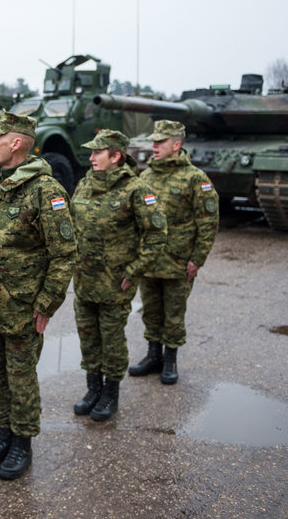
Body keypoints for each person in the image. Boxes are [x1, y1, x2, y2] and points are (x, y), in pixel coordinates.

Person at [0, 111, 76, 480]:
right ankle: (3, 434)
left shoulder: (47, 191)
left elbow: (64, 253)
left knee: (20, 379)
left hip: (22, 308)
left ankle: (23, 442)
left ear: (15, 143)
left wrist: (47, 304)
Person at [70, 129, 166, 422]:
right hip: (84, 281)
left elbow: (157, 235)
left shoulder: (136, 190)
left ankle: (111, 392)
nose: (91, 158)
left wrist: (134, 271)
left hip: (115, 282)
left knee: (111, 339)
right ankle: (93, 388)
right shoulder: (85, 184)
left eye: (97, 153)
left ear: (116, 156)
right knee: (88, 337)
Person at [130, 120, 219, 385]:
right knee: (151, 311)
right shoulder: (145, 177)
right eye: (153, 142)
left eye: (160, 142)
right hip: (150, 261)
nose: (154, 146)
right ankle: (153, 356)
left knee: (174, 313)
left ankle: (170, 360)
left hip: (179, 261)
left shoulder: (195, 178)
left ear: (176, 145)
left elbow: (208, 222)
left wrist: (198, 259)